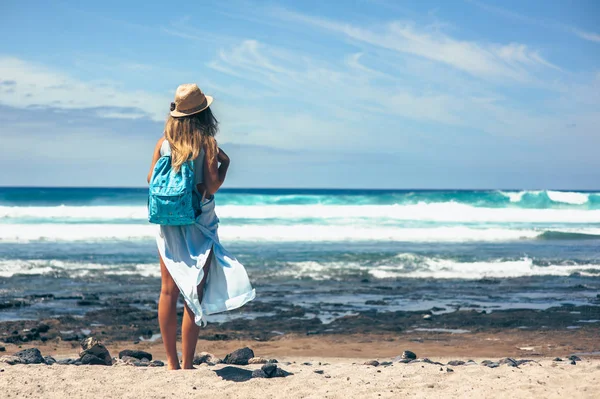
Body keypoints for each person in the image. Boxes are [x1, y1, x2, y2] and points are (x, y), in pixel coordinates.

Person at [147, 83, 255, 370]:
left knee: (167, 291)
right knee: (194, 290)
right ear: (203, 115)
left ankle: (171, 362)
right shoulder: (206, 144)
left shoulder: (163, 143)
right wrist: (226, 165)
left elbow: (150, 180)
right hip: (198, 222)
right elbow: (211, 186)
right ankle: (187, 364)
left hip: (167, 222)